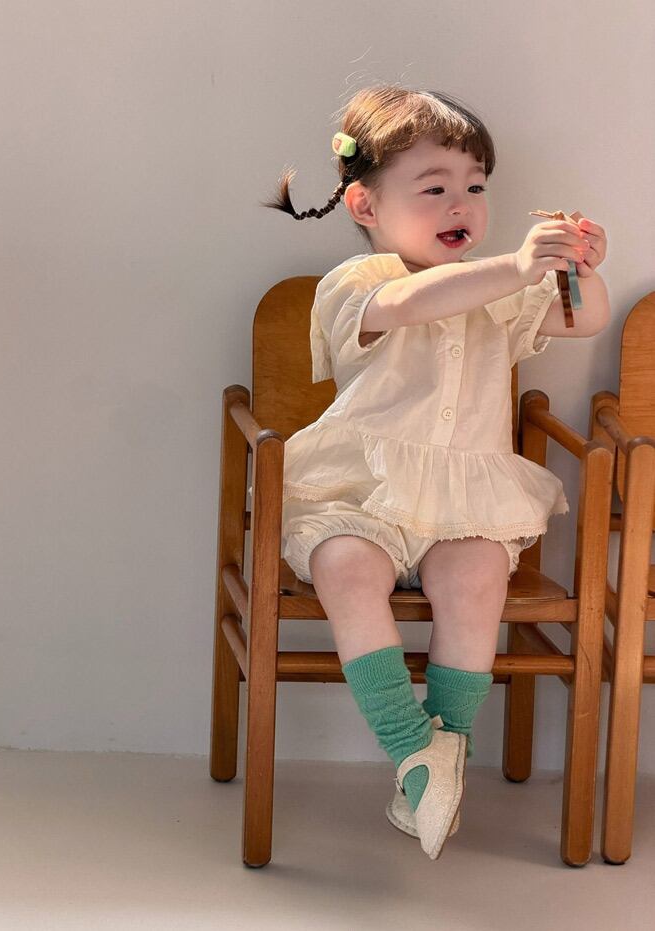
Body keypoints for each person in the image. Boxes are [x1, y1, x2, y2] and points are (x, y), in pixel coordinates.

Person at [261, 84, 609, 858]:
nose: (462, 203)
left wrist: (580, 266)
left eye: (476, 187)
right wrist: (517, 266)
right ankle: (410, 745)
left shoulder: (501, 292)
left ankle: (441, 751)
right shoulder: (357, 285)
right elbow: (414, 303)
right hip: (361, 495)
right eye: (435, 187)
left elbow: (584, 318)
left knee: (478, 575)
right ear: (365, 204)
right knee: (345, 567)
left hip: (462, 501)